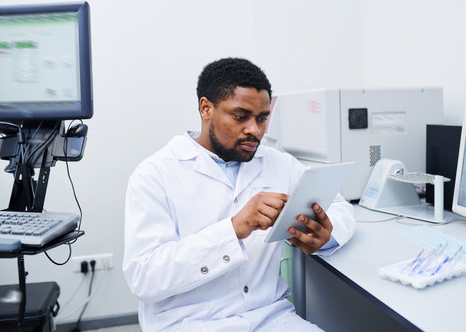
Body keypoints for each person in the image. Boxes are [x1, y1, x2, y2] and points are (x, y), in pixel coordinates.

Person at [123, 57, 355, 331]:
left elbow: (339, 205)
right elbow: (144, 278)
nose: (254, 131)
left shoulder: (279, 163)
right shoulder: (156, 174)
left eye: (262, 118)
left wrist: (325, 236)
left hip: (270, 317)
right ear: (206, 108)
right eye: (240, 117)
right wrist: (233, 229)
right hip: (190, 323)